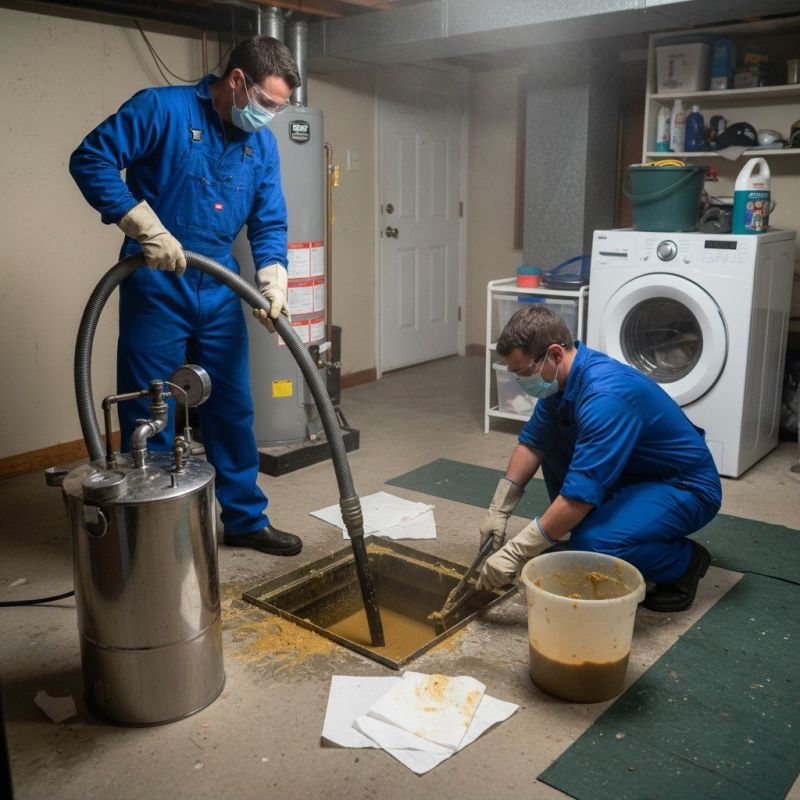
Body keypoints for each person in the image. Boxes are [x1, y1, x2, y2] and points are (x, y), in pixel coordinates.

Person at [69, 36, 303, 556]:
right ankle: (155, 533)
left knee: (233, 410)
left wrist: (273, 278)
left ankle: (244, 519)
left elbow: (269, 219)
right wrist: (141, 223)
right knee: (151, 410)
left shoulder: (261, 144)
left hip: (220, 287)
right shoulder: (161, 109)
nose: (268, 117)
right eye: (266, 103)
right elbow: (91, 159)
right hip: (157, 282)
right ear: (237, 80)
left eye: (279, 109)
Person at [475, 305, 722, 612]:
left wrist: (516, 552)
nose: (523, 381)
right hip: (634, 473)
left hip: (684, 486)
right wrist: (499, 509)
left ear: (554, 354)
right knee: (553, 442)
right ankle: (599, 529)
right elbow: (533, 444)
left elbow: (578, 498)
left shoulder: (605, 397)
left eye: (525, 372)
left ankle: (683, 562)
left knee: (594, 544)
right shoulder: (560, 383)